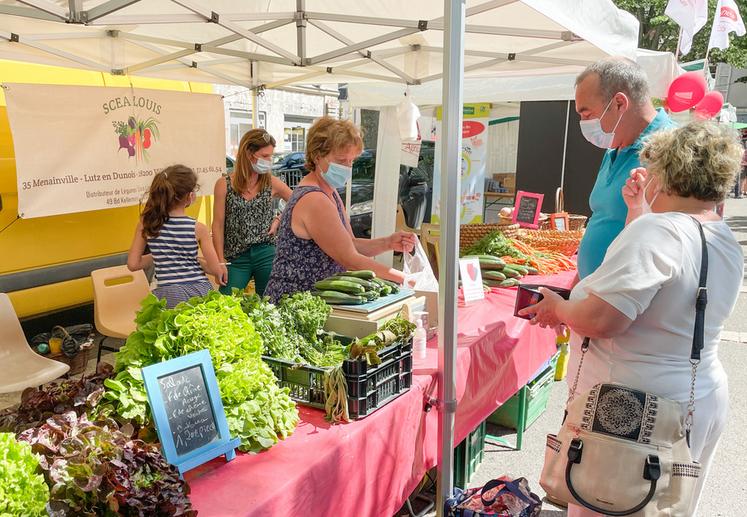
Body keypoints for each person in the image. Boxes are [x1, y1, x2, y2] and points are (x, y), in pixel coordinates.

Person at [520, 122, 744, 516]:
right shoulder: (720, 234)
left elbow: (603, 319)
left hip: (632, 413)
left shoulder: (660, 231)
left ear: (666, 173)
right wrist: (639, 212)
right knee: (663, 508)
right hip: (694, 397)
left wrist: (559, 308)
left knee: (605, 504)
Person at [265, 117, 417, 302]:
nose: (347, 168)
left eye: (351, 161)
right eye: (341, 160)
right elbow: (350, 259)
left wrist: (388, 243)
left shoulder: (330, 192)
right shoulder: (314, 199)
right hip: (295, 301)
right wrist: (406, 279)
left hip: (316, 300)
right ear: (317, 156)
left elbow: (349, 243)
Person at [574, 57, 674, 281]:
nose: (583, 123)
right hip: (596, 296)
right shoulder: (614, 147)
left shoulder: (674, 149)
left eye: (586, 114)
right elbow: (603, 218)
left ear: (619, 103)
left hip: (630, 306)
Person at [127, 165, 225, 308]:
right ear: (190, 196)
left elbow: (133, 264)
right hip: (199, 291)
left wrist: (162, 256)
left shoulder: (147, 223)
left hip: (167, 294)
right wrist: (197, 261)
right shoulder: (198, 228)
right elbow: (215, 269)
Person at [212, 128, 292, 296]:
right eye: (264, 156)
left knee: (270, 303)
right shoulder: (224, 184)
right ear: (249, 154)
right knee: (226, 300)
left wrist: (279, 219)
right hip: (236, 256)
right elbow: (217, 225)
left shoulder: (271, 182)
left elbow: (297, 200)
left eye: (270, 156)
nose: (269, 161)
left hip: (266, 251)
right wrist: (220, 261)